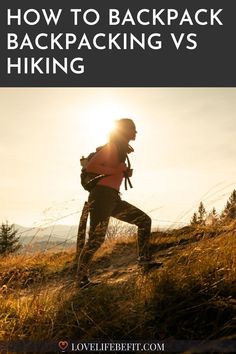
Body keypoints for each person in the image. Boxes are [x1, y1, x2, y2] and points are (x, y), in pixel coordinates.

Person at [77, 118, 160, 287]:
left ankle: (144, 261)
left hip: (113, 198)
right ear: (124, 131)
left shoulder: (121, 150)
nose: (135, 133)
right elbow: (91, 166)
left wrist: (124, 173)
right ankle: (81, 279)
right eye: (133, 129)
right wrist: (115, 170)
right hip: (101, 196)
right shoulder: (112, 146)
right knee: (96, 239)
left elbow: (110, 170)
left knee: (144, 221)